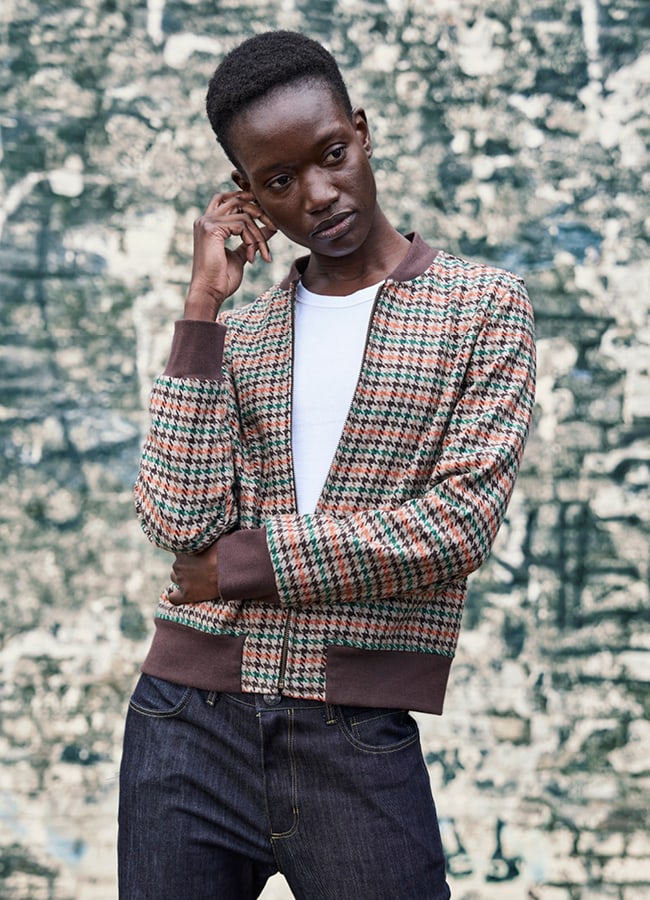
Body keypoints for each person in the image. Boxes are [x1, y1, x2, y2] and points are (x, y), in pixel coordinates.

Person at [118, 30, 536, 900]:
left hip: (355, 737)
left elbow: (455, 526)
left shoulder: (481, 307)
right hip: (186, 724)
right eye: (278, 182)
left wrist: (243, 564)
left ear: (362, 130)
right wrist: (202, 307)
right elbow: (175, 524)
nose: (318, 193)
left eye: (332, 154)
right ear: (249, 197)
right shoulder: (244, 332)